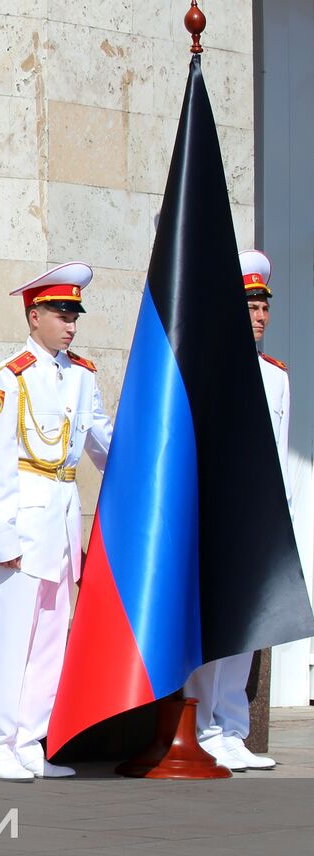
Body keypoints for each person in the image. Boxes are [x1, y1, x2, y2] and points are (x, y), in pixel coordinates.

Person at [0, 263, 113, 782]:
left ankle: (31, 739)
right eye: (60, 312)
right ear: (34, 316)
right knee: (14, 636)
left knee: (53, 632)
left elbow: (102, 442)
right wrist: (1, 532)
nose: (69, 323)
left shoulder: (81, 375)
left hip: (62, 515)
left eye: (74, 313)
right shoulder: (9, 378)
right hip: (23, 519)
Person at [183, 249, 286, 772]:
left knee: (248, 626)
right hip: (219, 514)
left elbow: (281, 454)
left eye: (264, 307)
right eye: (250, 307)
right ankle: (203, 727)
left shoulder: (276, 376)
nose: (261, 316)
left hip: (259, 519)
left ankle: (234, 729)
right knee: (215, 625)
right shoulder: (211, 370)